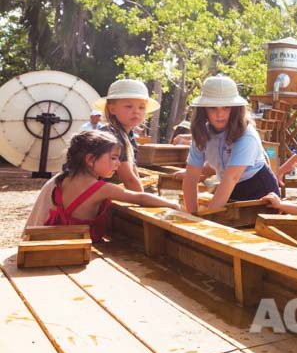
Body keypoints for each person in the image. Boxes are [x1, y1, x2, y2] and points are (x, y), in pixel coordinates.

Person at [24, 130, 180, 243]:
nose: (118, 164)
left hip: (59, 242)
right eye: (113, 158)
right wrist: (171, 203)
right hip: (80, 248)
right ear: (90, 159)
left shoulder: (62, 180)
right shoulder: (101, 188)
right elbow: (139, 197)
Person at [182, 75, 280, 213]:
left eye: (226, 108)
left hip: (259, 190)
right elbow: (191, 176)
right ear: (203, 109)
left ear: (235, 109)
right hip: (229, 189)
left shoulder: (247, 136)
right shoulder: (201, 133)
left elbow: (231, 178)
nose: (219, 114)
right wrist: (192, 215)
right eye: (213, 108)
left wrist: (206, 220)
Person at [96, 79, 160, 191]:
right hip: (83, 193)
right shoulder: (113, 137)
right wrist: (143, 199)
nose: (136, 111)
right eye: (129, 106)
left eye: (141, 107)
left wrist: (142, 193)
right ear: (112, 109)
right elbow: (128, 179)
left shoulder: (128, 135)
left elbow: (132, 168)